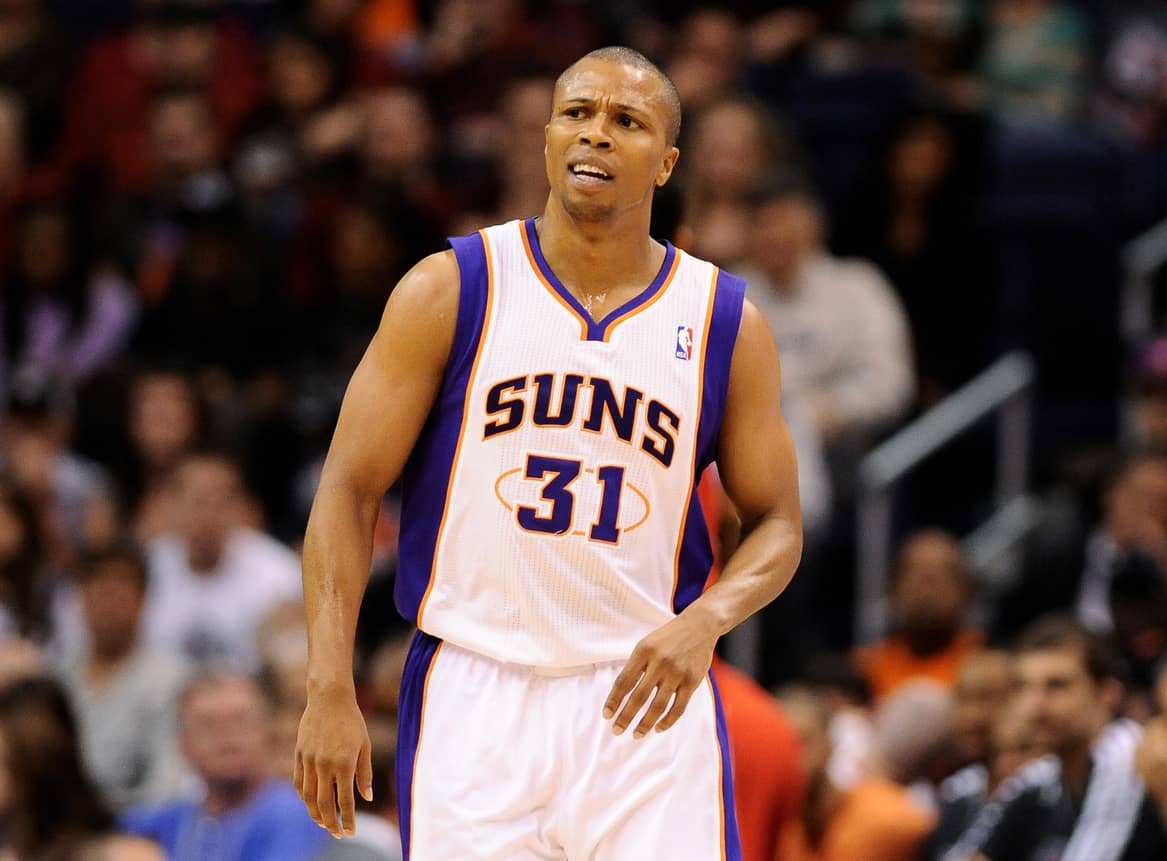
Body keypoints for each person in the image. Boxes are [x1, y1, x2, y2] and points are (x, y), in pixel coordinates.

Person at [294, 45, 803, 860]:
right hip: (474, 690)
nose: (596, 133)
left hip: (642, 695)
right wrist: (328, 683)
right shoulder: (451, 287)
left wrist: (707, 619)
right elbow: (347, 491)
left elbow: (778, 522)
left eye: (626, 121)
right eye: (577, 113)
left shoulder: (723, 323)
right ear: (545, 138)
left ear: (666, 163)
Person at [944, 615, 1167, 861]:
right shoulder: (1041, 775)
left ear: (1107, 694)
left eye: (1057, 686)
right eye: (1023, 686)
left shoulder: (1128, 755)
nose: (1034, 705)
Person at [122, 670, 329, 861]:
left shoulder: (295, 815)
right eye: (208, 725)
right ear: (183, 744)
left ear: (269, 732)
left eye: (241, 720)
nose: (227, 736)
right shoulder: (170, 819)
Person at [55, 544, 191, 811]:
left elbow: (166, 787)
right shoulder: (58, 676)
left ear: (143, 600)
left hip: (134, 822)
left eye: (118, 591)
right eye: (98, 591)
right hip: (61, 820)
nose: (107, 604)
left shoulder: (173, 679)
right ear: (80, 598)